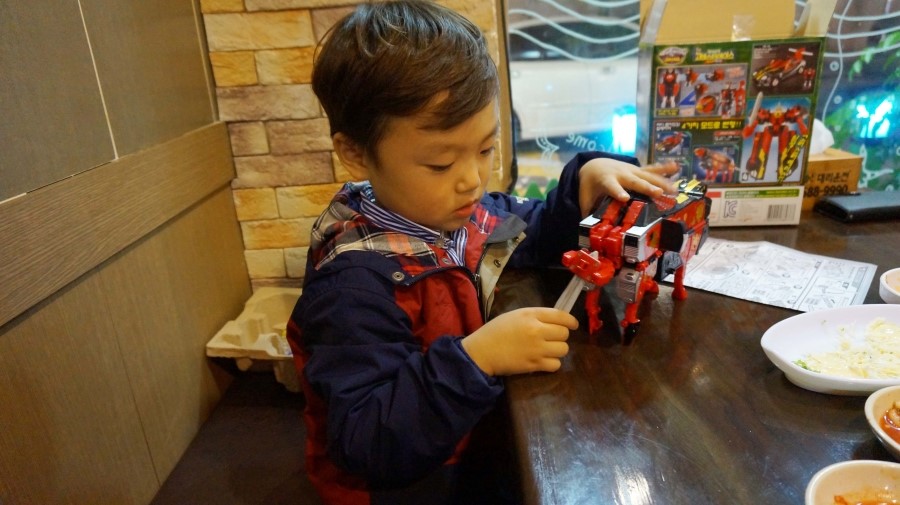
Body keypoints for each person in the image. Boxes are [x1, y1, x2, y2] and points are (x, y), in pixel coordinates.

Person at [286, 1, 677, 503]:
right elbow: (367, 442)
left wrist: (583, 182)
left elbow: (534, 233)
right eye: (440, 163)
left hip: (475, 442)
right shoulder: (353, 287)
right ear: (357, 153)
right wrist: (476, 360)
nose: (472, 179)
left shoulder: (457, 213)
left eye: (486, 149)